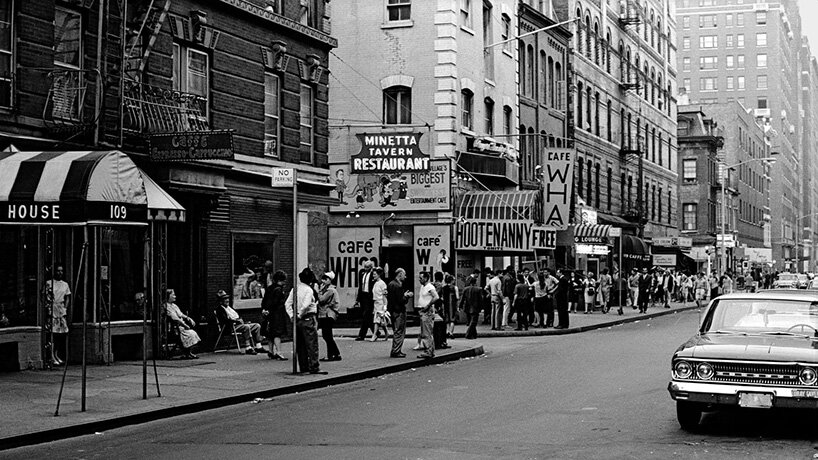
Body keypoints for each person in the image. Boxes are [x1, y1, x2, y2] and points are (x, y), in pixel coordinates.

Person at [285, 268, 326, 374]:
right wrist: (300, 315)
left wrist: (292, 316)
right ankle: (314, 366)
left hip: (297, 321)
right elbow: (306, 305)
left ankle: (303, 367)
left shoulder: (295, 289)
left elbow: (287, 304)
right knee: (312, 344)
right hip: (308, 318)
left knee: (300, 344)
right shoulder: (309, 290)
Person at [215, 290, 265, 355]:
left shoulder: (230, 308)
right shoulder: (220, 310)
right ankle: (248, 347)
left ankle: (258, 346)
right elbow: (225, 320)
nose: (227, 300)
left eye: (227, 298)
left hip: (238, 325)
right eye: (225, 299)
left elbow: (237, 316)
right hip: (230, 327)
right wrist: (236, 321)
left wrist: (240, 320)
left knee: (257, 326)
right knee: (246, 327)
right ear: (220, 301)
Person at [44, 264, 70, 366]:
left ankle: (56, 354)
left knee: (60, 334)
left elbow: (67, 297)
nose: (60, 273)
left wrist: (65, 308)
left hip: (61, 309)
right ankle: (51, 355)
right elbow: (44, 297)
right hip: (52, 309)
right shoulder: (49, 283)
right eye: (58, 271)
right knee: (52, 333)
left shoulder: (65, 284)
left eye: (61, 271)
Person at [164, 289, 200, 359]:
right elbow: (175, 318)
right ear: (168, 296)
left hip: (180, 326)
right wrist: (185, 325)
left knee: (192, 333)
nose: (175, 296)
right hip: (175, 328)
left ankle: (188, 353)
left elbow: (180, 314)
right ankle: (187, 353)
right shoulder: (166, 306)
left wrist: (188, 318)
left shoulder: (174, 305)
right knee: (190, 333)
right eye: (173, 295)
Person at [261, 270, 288, 361]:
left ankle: (270, 351)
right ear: (280, 280)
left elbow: (264, 300)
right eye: (284, 280)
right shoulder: (279, 290)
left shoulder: (269, 288)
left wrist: (265, 310)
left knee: (270, 333)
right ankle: (279, 352)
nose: (285, 282)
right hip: (277, 314)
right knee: (277, 333)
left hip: (268, 313)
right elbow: (276, 303)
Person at [317, 272, 341, 362]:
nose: (323, 281)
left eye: (325, 279)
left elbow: (322, 299)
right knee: (327, 336)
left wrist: (318, 291)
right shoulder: (327, 289)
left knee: (327, 336)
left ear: (330, 280)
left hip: (327, 315)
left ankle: (331, 355)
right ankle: (336, 354)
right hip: (325, 314)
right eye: (323, 279)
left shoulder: (330, 290)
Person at [387, 268, 411, 357]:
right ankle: (396, 350)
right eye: (404, 275)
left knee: (396, 330)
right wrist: (406, 296)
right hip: (399, 311)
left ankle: (395, 350)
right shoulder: (398, 286)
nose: (405, 277)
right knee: (399, 331)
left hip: (393, 310)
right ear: (400, 274)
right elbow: (401, 300)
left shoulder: (390, 284)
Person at [416, 271, 438, 359]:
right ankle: (429, 350)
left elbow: (436, 297)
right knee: (425, 331)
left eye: (421, 278)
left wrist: (428, 305)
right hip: (423, 310)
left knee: (427, 331)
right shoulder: (423, 286)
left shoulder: (429, 287)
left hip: (427, 311)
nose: (419, 280)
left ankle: (429, 351)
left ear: (425, 278)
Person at [355, 260, 376, 341]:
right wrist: (358, 299)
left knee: (366, 315)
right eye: (365, 267)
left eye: (367, 267)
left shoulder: (373, 275)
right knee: (368, 317)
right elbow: (360, 287)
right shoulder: (362, 274)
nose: (365, 269)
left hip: (370, 297)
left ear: (371, 267)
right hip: (363, 296)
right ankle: (376, 332)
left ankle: (362, 335)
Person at [370, 267, 390, 342]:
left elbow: (384, 295)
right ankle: (386, 332)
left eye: (375, 274)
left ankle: (374, 334)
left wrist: (385, 305)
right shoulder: (375, 283)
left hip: (381, 303)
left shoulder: (382, 284)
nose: (373, 276)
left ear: (379, 275)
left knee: (376, 320)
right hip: (376, 303)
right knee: (381, 320)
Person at [442, 274, 459, 339]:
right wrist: (457, 307)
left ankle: (447, 331)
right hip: (453, 304)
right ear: (451, 280)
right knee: (452, 319)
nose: (454, 281)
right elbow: (457, 297)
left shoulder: (444, 287)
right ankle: (451, 332)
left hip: (445, 304)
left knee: (446, 319)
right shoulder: (455, 288)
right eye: (454, 280)